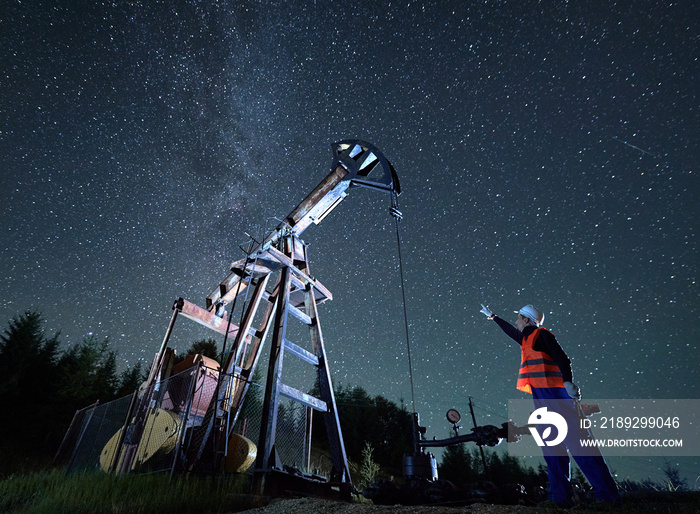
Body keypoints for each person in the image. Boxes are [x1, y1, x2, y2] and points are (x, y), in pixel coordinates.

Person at [480, 303, 620, 508]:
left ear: (526, 320)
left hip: (558, 396)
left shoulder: (542, 335)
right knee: (552, 449)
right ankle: (558, 497)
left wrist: (569, 382)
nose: (516, 322)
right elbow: (511, 332)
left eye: (518, 318)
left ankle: (608, 497)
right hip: (542, 399)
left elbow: (562, 358)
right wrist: (494, 317)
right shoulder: (526, 339)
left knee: (580, 445)